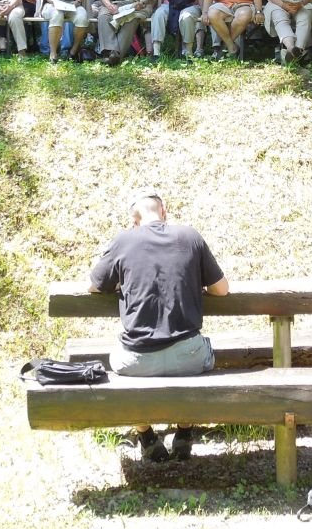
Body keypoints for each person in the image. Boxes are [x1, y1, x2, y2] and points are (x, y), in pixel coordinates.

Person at [88, 190, 229, 462]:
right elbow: (221, 289)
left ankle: (147, 436)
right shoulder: (190, 236)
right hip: (189, 357)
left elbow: (94, 286)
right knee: (198, 354)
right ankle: (184, 432)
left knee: (117, 360)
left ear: (134, 220)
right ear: (164, 212)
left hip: (136, 361)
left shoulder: (123, 241)